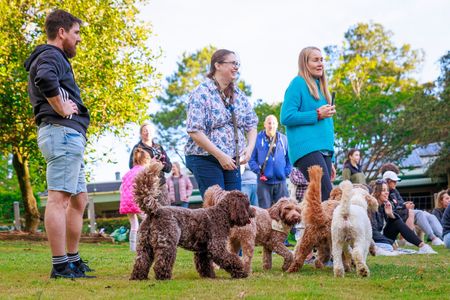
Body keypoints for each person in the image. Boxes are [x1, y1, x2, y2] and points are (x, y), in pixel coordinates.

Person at [24, 9, 93, 278]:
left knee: (78, 200)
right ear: (62, 32)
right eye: (76, 33)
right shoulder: (51, 55)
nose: (78, 39)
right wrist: (60, 106)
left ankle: (72, 260)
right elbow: (44, 78)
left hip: (68, 136)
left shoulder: (56, 57)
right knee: (59, 200)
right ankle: (60, 265)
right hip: (61, 133)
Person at [185, 49, 258, 197]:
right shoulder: (202, 92)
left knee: (235, 208)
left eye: (237, 64)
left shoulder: (239, 95)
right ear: (217, 65)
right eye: (233, 63)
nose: (236, 67)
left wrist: (249, 149)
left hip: (232, 160)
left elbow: (252, 125)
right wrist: (220, 156)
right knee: (216, 208)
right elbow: (194, 131)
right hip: (205, 158)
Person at [280, 46, 336, 201]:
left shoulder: (323, 88)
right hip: (307, 149)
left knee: (323, 198)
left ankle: (316, 225)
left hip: (324, 151)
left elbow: (328, 127)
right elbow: (286, 116)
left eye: (322, 60)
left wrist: (331, 158)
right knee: (327, 197)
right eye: (315, 60)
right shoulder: (298, 83)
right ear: (305, 63)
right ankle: (327, 226)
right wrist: (317, 114)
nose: (320, 64)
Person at [370, 179, 437, 255]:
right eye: (383, 190)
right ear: (376, 192)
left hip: (384, 239)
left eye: (387, 190)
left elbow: (398, 223)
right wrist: (389, 242)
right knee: (388, 247)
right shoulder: (370, 208)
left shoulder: (384, 205)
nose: (387, 192)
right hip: (374, 240)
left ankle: (423, 246)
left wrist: (390, 214)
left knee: (396, 221)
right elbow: (372, 232)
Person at [383, 171, 444, 245]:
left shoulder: (394, 191)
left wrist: (406, 204)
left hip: (402, 212)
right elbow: (391, 208)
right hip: (395, 215)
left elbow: (401, 202)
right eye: (394, 181)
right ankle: (432, 238)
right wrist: (404, 206)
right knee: (417, 213)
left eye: (396, 181)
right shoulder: (384, 192)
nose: (396, 183)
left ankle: (443, 237)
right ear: (387, 181)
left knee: (430, 216)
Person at [249, 115, 292, 208]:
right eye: (269, 123)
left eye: (273, 123)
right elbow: (251, 159)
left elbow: (290, 158)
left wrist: (286, 172)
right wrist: (259, 172)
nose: (271, 126)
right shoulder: (257, 139)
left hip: (281, 182)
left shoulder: (284, 139)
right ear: (264, 124)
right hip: (263, 183)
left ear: (277, 125)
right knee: (265, 212)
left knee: (284, 210)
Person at [129, 123, 172, 205]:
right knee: (149, 214)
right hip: (146, 187)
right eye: (145, 131)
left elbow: (169, 168)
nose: (148, 132)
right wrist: (149, 165)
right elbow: (132, 167)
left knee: (166, 212)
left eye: (150, 131)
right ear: (141, 133)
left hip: (161, 184)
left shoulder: (159, 147)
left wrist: (159, 164)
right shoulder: (137, 148)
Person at [119, 148, 150, 251]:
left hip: (126, 202)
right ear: (146, 160)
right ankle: (148, 243)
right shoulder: (144, 171)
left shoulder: (128, 173)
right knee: (149, 221)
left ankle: (132, 248)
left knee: (134, 225)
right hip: (138, 201)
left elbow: (121, 189)